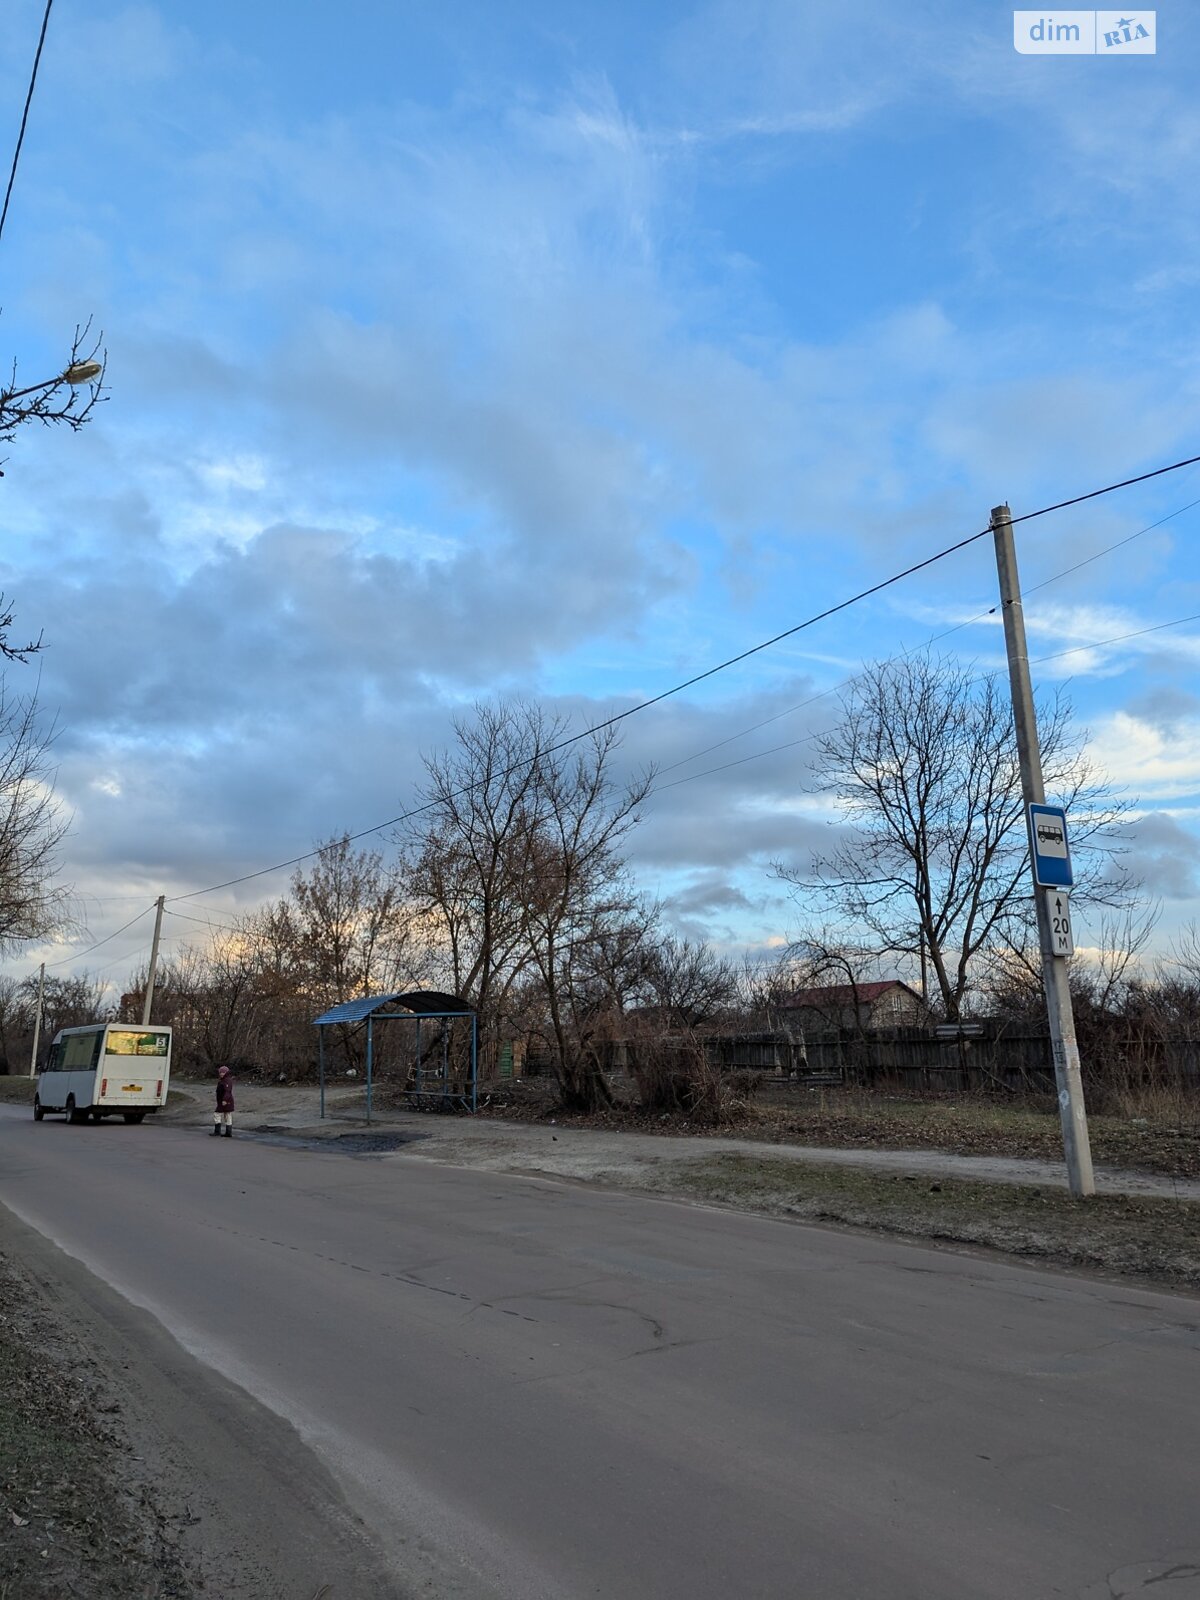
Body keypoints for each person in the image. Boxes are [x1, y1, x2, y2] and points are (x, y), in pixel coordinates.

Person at [212, 1064, 235, 1138]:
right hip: (224, 1101)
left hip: (225, 1101)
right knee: (227, 1115)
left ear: (226, 1073)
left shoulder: (227, 1081)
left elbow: (227, 1091)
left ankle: (217, 1131)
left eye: (222, 1072)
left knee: (217, 1114)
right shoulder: (224, 1080)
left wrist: (225, 1100)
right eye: (220, 1072)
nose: (221, 1074)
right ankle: (228, 1132)